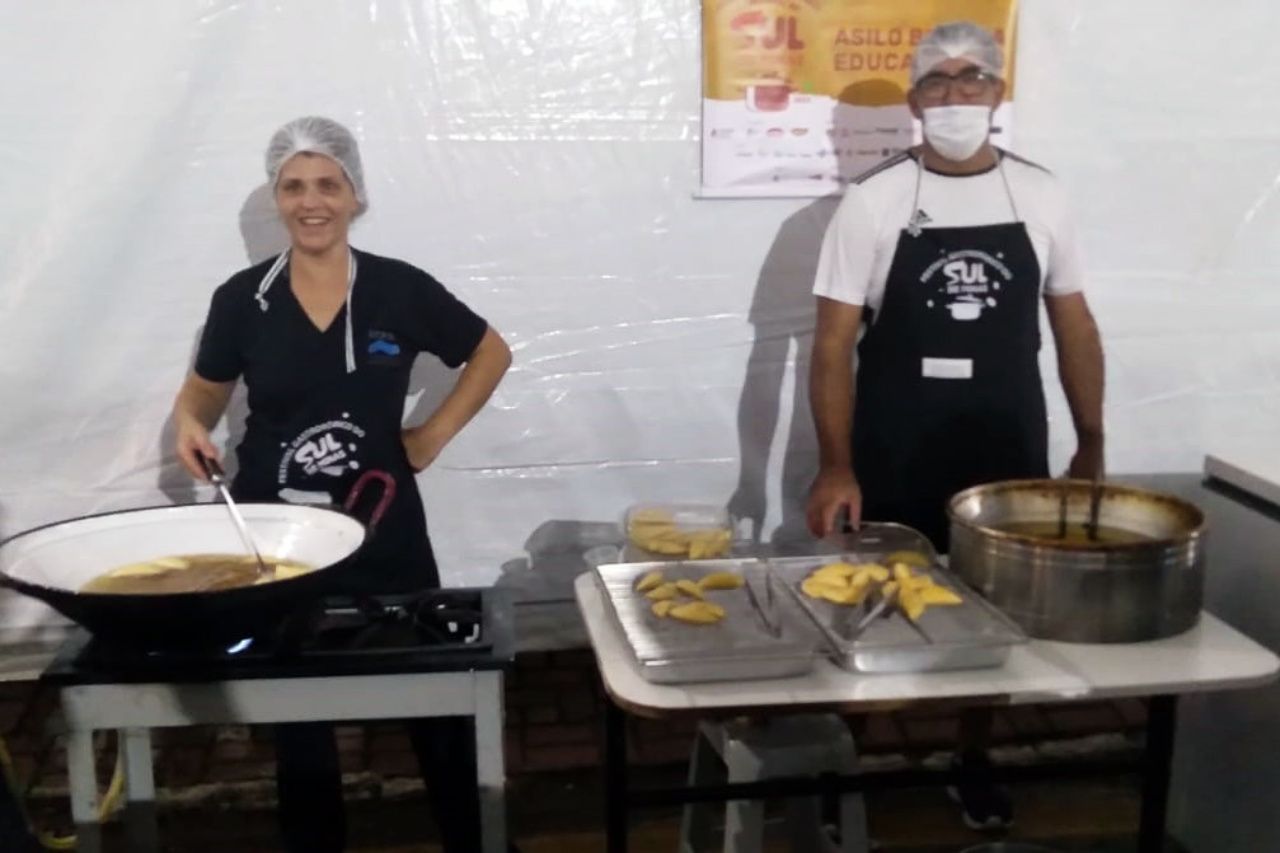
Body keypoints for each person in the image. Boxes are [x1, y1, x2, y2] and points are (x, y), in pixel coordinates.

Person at [170, 116, 512, 852]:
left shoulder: (398, 289)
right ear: (276, 197)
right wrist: (188, 425)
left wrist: (431, 435)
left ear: (356, 195)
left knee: (437, 702)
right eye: (293, 186)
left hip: (387, 533)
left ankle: (470, 836)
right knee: (300, 719)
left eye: (328, 184)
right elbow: (202, 393)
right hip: (281, 541)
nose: (310, 201)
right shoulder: (243, 298)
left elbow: (489, 351)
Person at [805, 22, 1105, 830]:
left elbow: (1074, 324)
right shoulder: (874, 201)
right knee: (868, 601)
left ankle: (971, 755)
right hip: (896, 436)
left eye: (973, 78)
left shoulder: (1042, 194)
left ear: (998, 95)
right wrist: (836, 464)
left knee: (994, 610)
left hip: (1006, 440)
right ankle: (849, 760)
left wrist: (1093, 440)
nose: (956, 94)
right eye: (937, 81)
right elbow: (832, 345)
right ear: (913, 102)